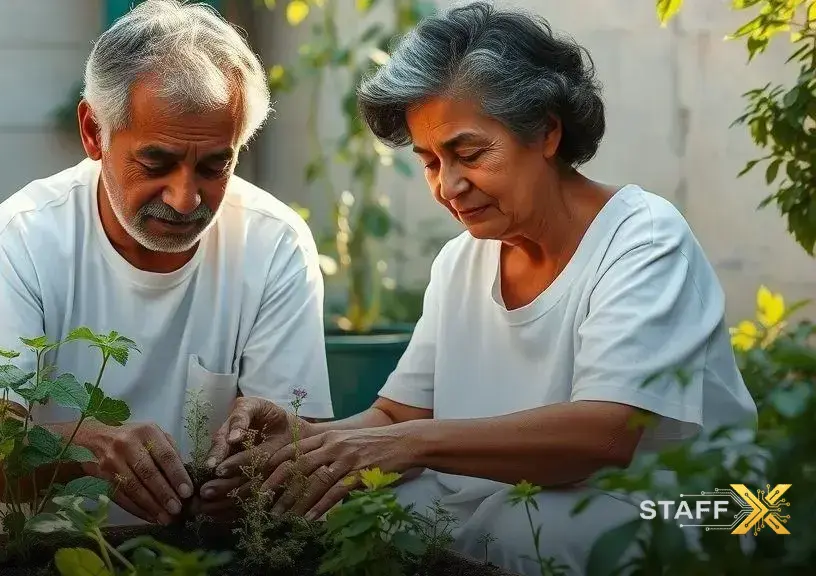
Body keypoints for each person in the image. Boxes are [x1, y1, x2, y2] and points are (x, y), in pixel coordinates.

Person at [201, 2, 758, 574]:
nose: (450, 185)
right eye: (430, 162)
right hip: (516, 501)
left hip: (700, 507)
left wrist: (411, 444)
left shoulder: (641, 237)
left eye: (469, 154)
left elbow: (607, 434)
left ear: (546, 130)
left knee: (526, 530)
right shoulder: (461, 262)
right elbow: (395, 419)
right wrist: (302, 451)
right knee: (359, 511)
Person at [0, 0, 333, 528]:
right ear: (92, 132)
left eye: (217, 165)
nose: (185, 198)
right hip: (60, 548)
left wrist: (266, 462)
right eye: (156, 162)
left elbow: (297, 451)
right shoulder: (25, 236)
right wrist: (82, 449)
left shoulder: (274, 242)